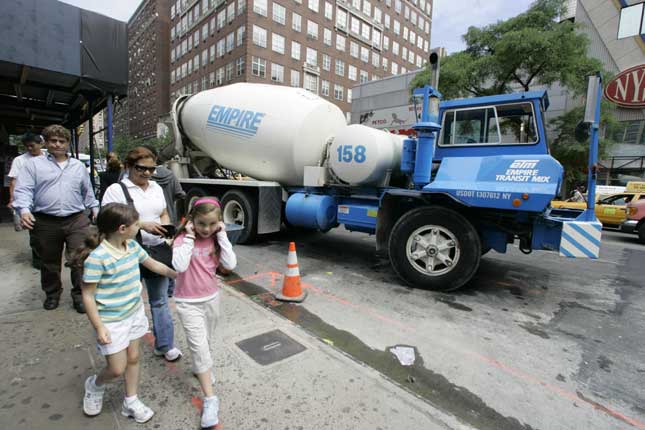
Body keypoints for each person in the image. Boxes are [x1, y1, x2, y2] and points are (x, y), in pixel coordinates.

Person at [77, 203, 177, 423]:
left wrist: (177, 274)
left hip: (134, 313)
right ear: (122, 228)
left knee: (133, 358)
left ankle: (130, 401)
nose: (139, 227)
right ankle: (95, 385)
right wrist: (99, 327)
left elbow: (152, 264)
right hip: (111, 322)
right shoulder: (98, 258)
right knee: (116, 368)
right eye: (136, 224)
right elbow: (88, 296)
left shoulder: (131, 246)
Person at [101, 147, 182, 362]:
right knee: (128, 301)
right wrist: (141, 225)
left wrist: (166, 230)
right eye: (141, 169)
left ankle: (165, 345)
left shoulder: (156, 187)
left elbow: (163, 212)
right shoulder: (117, 190)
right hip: (127, 253)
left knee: (160, 300)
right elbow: (107, 221)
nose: (147, 174)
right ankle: (123, 345)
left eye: (151, 169)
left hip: (156, 250)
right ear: (128, 167)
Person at [13, 124, 99, 312]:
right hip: (45, 221)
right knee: (49, 262)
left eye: (62, 141)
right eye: (53, 141)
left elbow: (87, 191)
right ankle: (52, 294)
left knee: (81, 259)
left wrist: (94, 208)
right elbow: (24, 190)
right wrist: (24, 210)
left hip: (76, 219)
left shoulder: (78, 167)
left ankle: (80, 296)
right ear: (46, 142)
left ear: (68, 143)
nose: (58, 144)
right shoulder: (33, 165)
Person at [172, 197, 236, 428]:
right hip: (188, 303)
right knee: (199, 347)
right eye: (201, 224)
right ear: (192, 221)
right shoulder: (182, 239)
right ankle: (210, 399)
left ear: (218, 222)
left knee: (206, 342)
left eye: (211, 224)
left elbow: (230, 264)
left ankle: (203, 368)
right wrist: (189, 235)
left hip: (211, 299)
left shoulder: (216, 240)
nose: (206, 229)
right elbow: (179, 266)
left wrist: (222, 236)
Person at [143, 144, 186, 298]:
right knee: (168, 256)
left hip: (148, 227)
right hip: (168, 221)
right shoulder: (170, 174)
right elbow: (181, 194)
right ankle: (170, 289)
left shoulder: (141, 177)